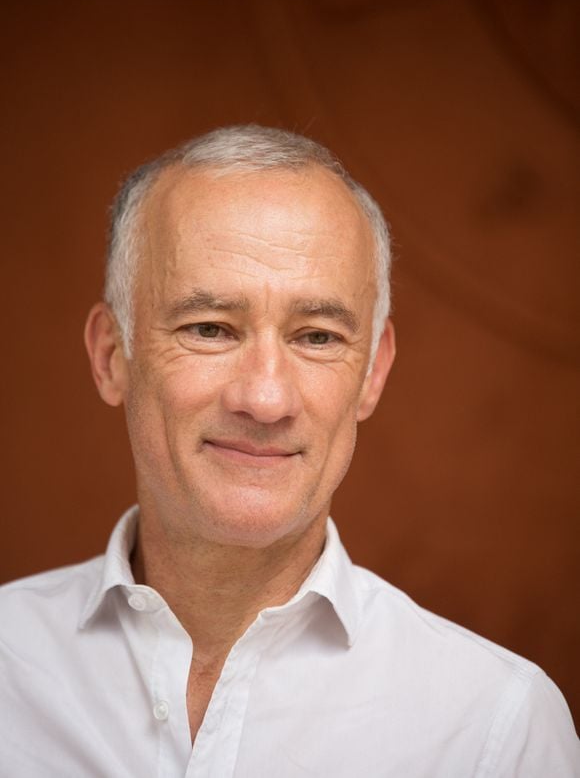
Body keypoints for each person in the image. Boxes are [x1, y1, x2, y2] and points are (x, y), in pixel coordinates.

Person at [0, 125, 577, 777]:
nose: (266, 398)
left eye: (318, 337)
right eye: (211, 328)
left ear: (373, 372)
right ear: (112, 356)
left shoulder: (495, 729)